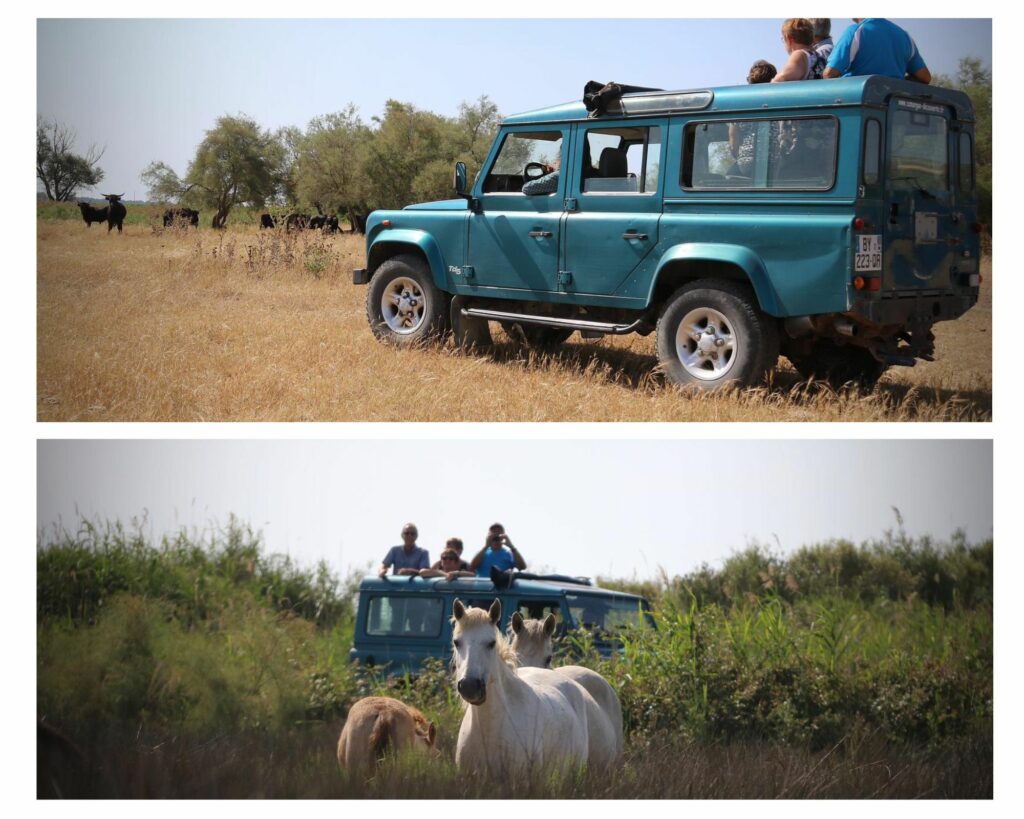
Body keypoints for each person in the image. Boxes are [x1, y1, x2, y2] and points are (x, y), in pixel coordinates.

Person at [823, 18, 931, 84]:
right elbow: (925, 78)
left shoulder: (856, 31)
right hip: (893, 106)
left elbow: (829, 74)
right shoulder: (904, 36)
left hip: (858, 105)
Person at [728, 61, 776, 177]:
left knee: (728, 177)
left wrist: (742, 156)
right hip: (774, 164)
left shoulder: (739, 105)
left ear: (750, 80)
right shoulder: (779, 102)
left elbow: (733, 143)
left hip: (746, 163)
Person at [773, 19, 826, 83]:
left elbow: (782, 78)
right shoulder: (819, 57)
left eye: (783, 39)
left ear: (789, 39)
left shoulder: (799, 55)